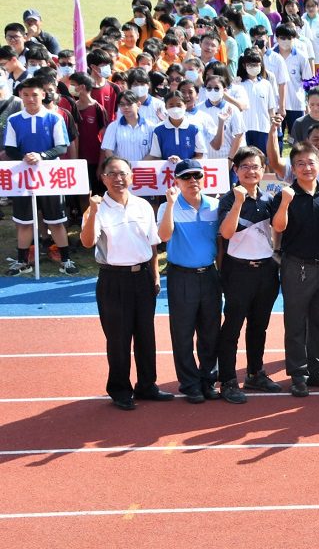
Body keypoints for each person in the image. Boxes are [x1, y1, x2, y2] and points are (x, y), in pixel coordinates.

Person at [80, 156, 174, 410]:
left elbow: (152, 244)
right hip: (113, 279)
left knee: (146, 336)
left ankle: (147, 385)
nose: (118, 179)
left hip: (143, 277)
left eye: (123, 173)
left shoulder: (143, 206)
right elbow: (88, 242)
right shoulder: (96, 208)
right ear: (103, 178)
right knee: (118, 338)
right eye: (112, 174)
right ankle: (120, 389)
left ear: (131, 176)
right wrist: (93, 213)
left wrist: (155, 274)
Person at [270, 142, 319, 397]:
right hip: (296, 267)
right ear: (293, 168)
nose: (306, 168)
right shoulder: (286, 195)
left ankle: (317, 370)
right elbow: (278, 227)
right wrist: (284, 204)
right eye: (300, 164)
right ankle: (298, 374)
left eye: (310, 162)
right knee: (295, 323)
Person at [157, 159, 228, 404]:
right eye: (186, 177)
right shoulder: (169, 206)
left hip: (209, 275)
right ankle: (190, 384)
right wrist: (169, 205)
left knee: (210, 331)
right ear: (176, 181)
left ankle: (208, 380)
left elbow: (220, 242)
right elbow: (163, 236)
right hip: (181, 276)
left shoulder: (216, 205)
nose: (192, 181)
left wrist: (221, 273)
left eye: (197, 176)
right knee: (183, 333)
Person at [216, 147, 282, 395]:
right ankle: (228, 380)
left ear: (263, 170)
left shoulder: (269, 199)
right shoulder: (227, 199)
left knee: (259, 326)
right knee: (232, 326)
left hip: (266, 271)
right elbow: (226, 233)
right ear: (235, 170)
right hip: (238, 271)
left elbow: (279, 228)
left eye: (256, 166)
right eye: (245, 166)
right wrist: (239, 202)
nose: (251, 171)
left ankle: (255, 373)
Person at [4, 76, 76, 275]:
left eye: (34, 95)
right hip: (24, 177)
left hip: (50, 175)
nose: (30, 99)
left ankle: (66, 259)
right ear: (20, 95)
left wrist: (42, 156)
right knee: (24, 221)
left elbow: (61, 146)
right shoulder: (14, 119)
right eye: (25, 95)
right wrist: (24, 156)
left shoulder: (54, 118)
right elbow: (10, 148)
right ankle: (22, 261)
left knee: (56, 220)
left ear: (43, 95)